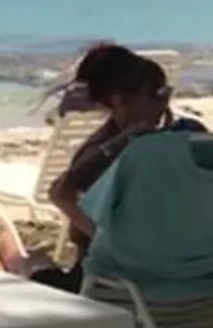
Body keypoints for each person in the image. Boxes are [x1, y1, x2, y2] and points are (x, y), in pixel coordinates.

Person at [29, 44, 203, 290]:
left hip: (113, 286)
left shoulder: (103, 154)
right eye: (159, 93)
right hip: (191, 284)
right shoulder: (190, 138)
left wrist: (123, 139)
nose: (165, 101)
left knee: (28, 266)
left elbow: (61, 195)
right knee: (27, 261)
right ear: (120, 100)